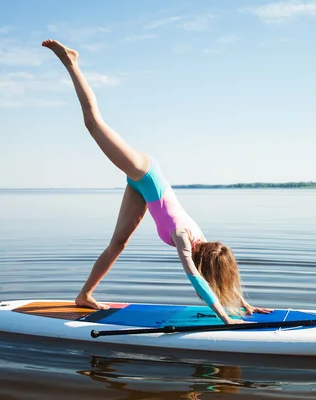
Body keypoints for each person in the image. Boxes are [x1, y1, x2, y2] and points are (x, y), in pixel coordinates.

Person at [42, 40, 272, 324]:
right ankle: (72, 62)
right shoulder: (184, 239)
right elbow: (195, 278)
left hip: (141, 189)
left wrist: (244, 303)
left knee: (118, 243)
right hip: (145, 172)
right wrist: (225, 317)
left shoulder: (200, 239)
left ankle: (84, 295)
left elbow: (214, 275)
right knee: (93, 123)